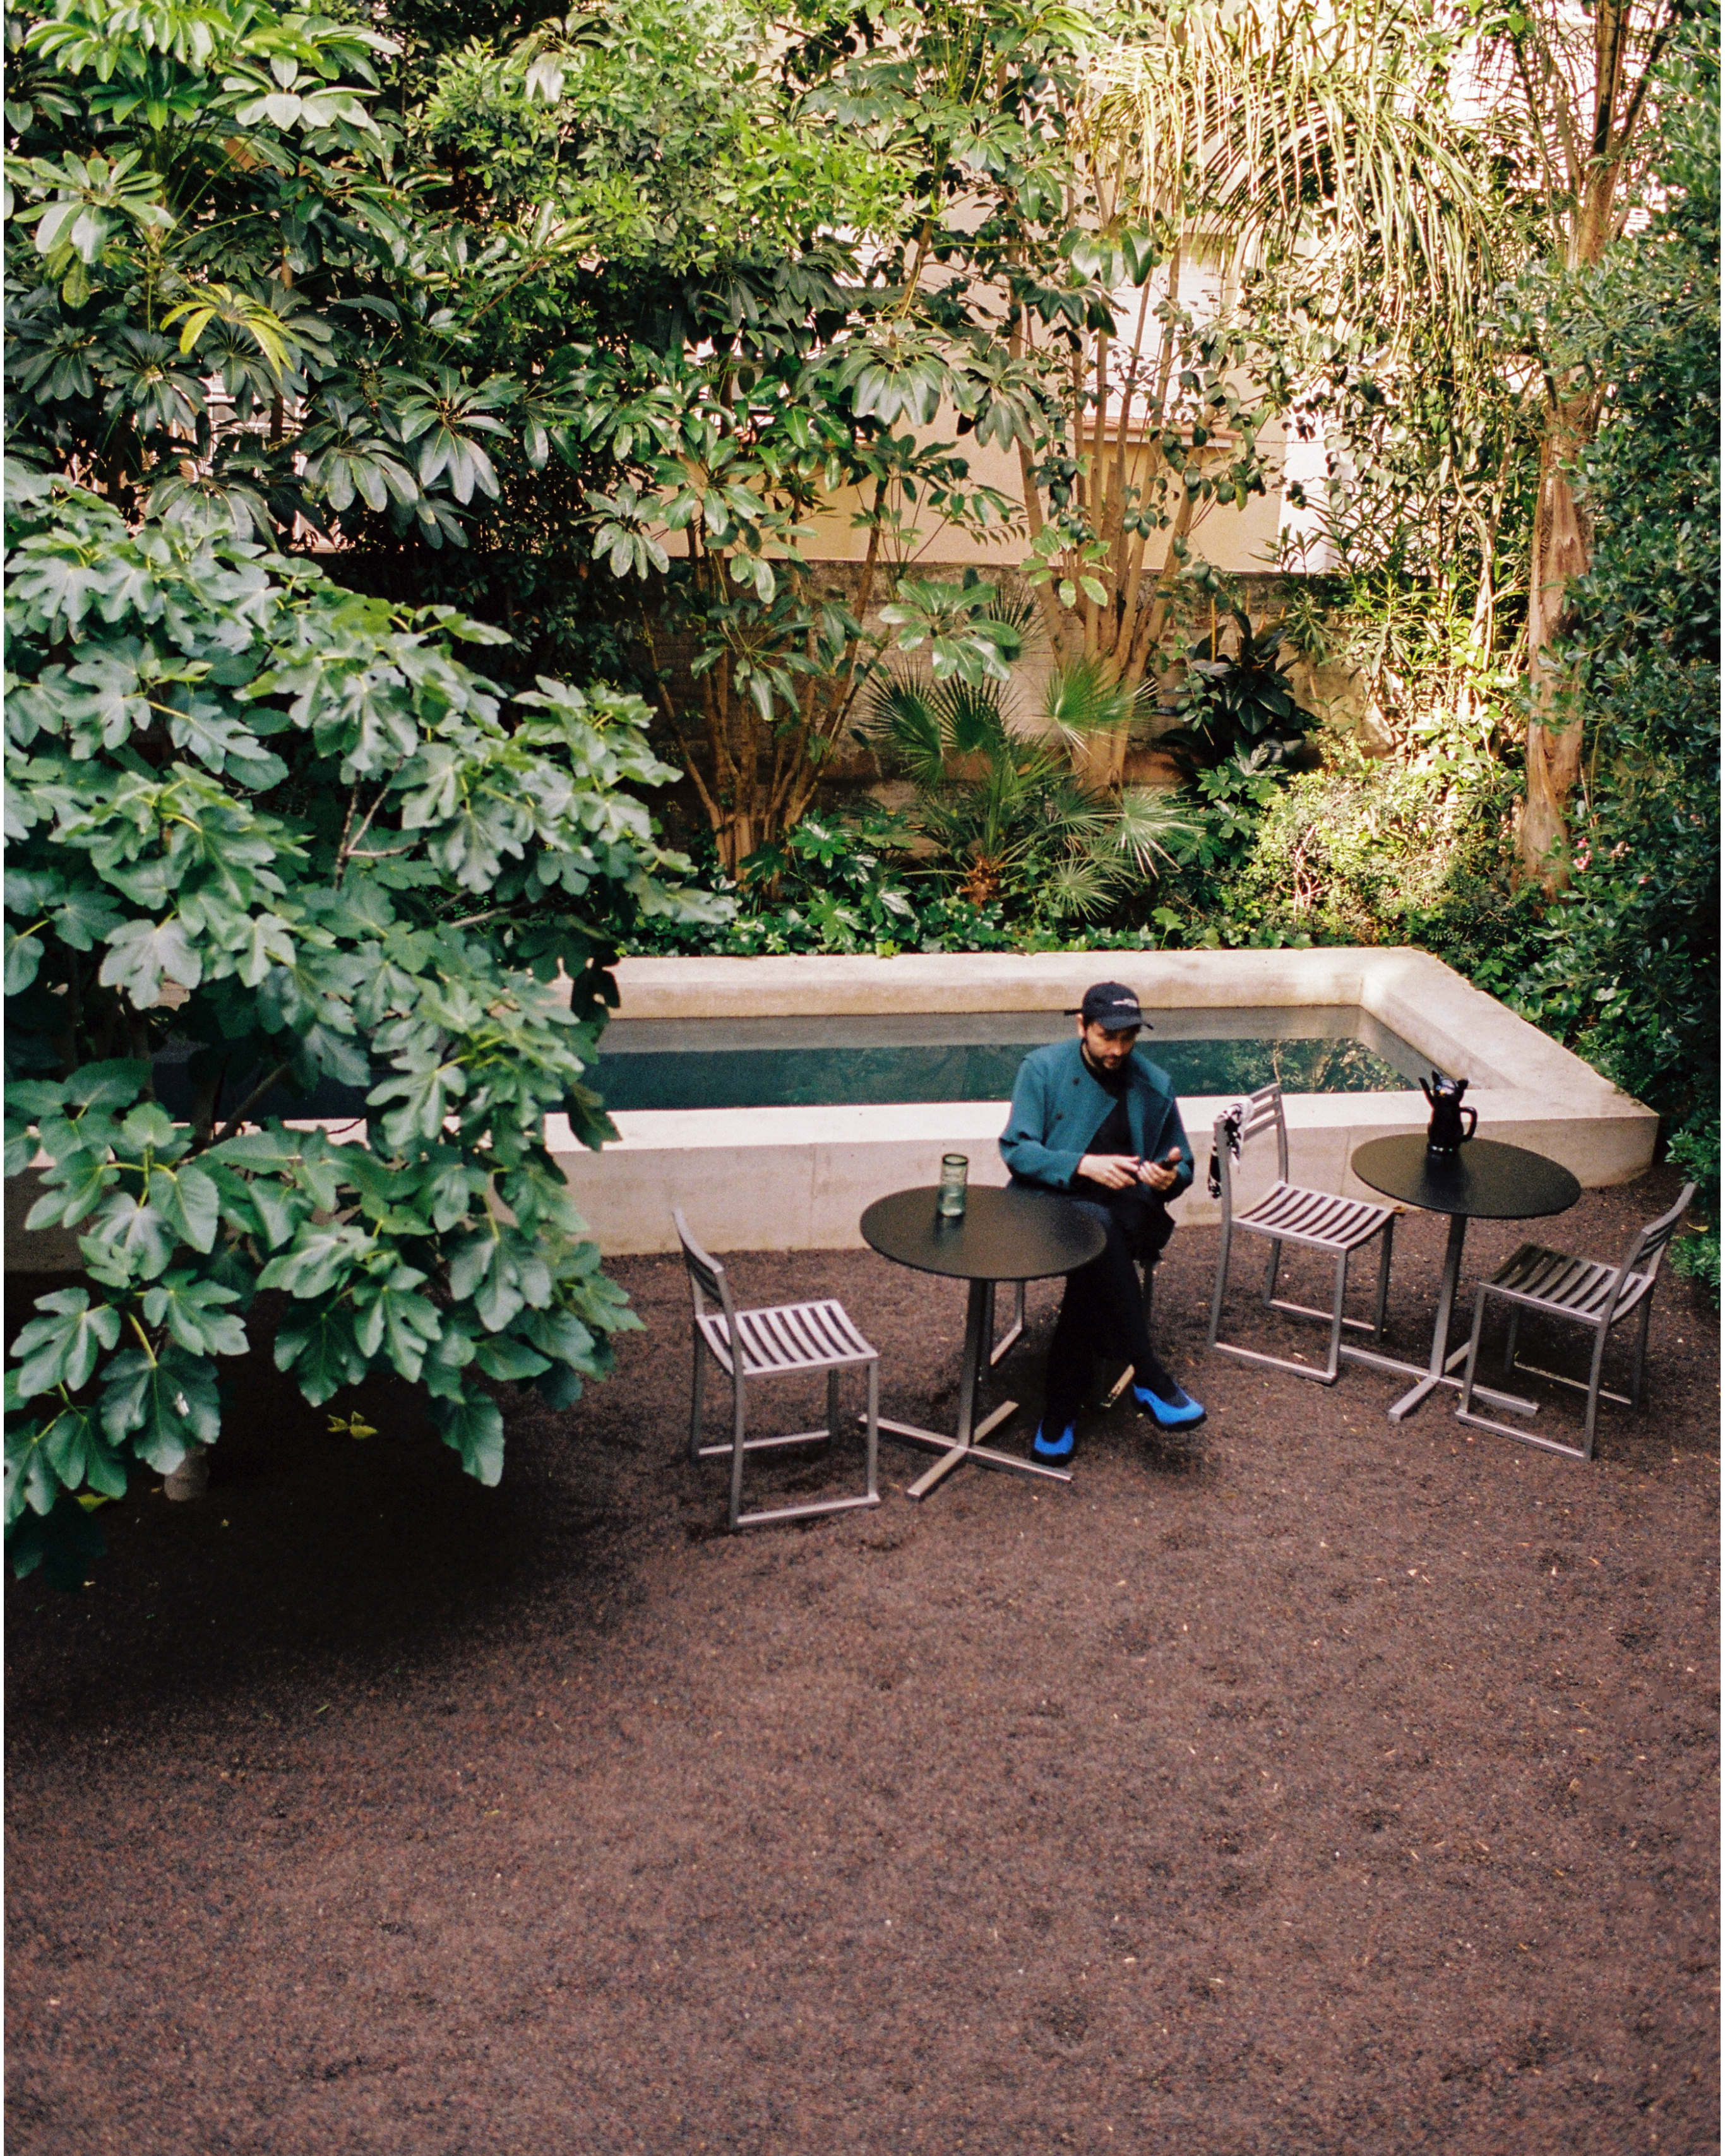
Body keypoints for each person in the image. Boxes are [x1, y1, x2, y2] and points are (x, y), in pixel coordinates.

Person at [999, 981, 1206, 1460]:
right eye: (1106, 1037)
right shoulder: (1042, 1068)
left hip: (1126, 1212)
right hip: (1048, 1205)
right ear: (1082, 1026)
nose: (1117, 1050)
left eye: (1127, 1038)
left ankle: (1060, 1411)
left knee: (1100, 1244)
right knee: (1099, 1232)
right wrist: (1082, 1164)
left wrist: (1166, 1177)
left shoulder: (1154, 1082)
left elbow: (1184, 1163)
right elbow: (1017, 1149)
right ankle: (1147, 1374)